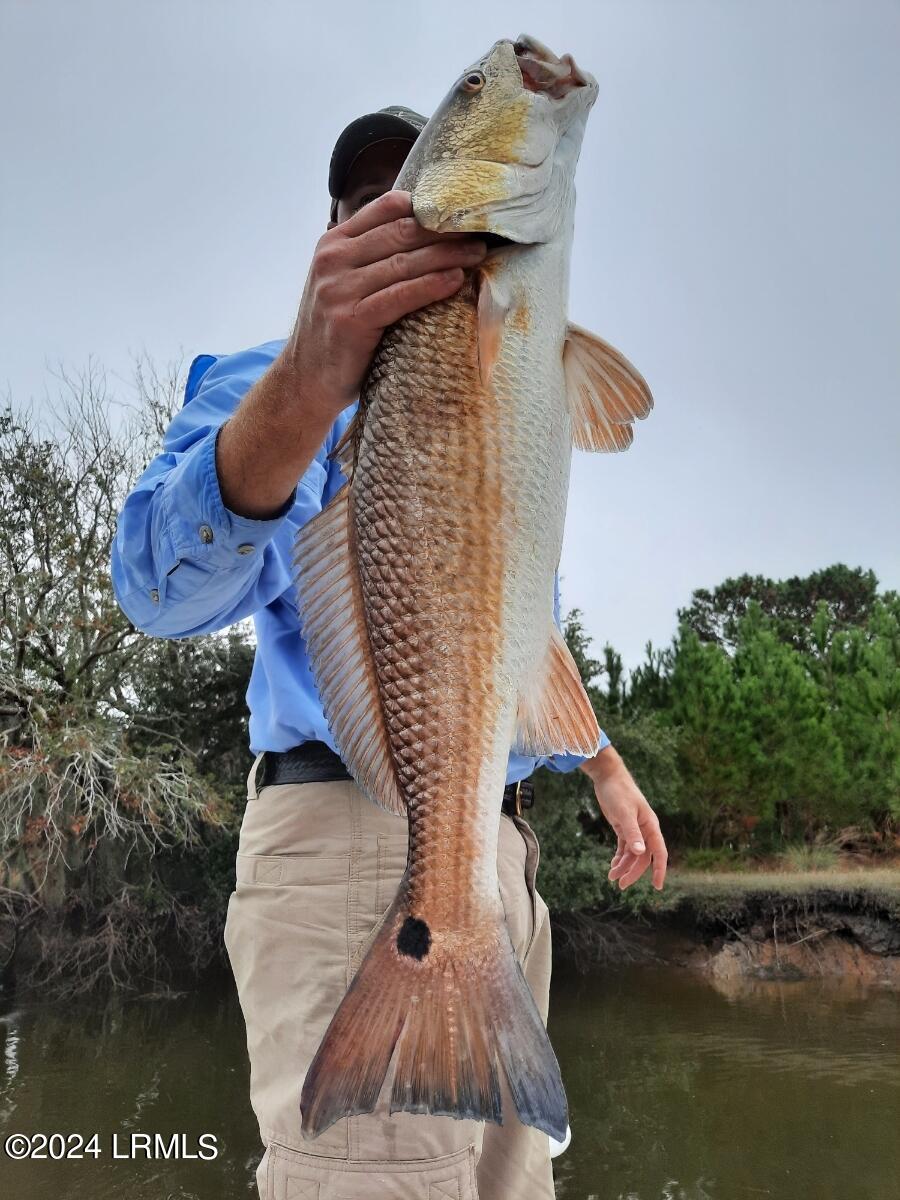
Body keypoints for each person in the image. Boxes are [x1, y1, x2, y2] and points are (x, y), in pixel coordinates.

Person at [111, 104, 668, 1200]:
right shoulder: (269, 375)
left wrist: (599, 760)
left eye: (410, 194)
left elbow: (492, 627)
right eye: (361, 204)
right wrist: (316, 380)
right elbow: (154, 591)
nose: (389, 214)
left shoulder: (508, 375)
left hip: (490, 868)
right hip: (354, 854)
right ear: (329, 241)